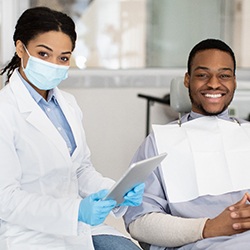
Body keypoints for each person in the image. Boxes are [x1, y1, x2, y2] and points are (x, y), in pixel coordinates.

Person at [0, 6, 145, 250]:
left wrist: (113, 191)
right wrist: (75, 211)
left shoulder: (67, 104)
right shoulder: (5, 111)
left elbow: (80, 170)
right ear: (20, 48)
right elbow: (7, 199)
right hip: (28, 235)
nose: (54, 64)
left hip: (79, 229)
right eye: (44, 54)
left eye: (63, 58)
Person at [123, 38, 250, 250]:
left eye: (224, 75)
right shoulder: (158, 143)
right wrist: (208, 227)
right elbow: (139, 223)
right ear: (187, 80)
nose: (214, 83)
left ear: (234, 81)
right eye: (202, 75)